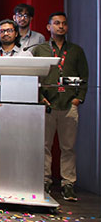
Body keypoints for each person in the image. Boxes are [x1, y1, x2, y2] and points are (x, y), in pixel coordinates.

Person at [31, 12, 88, 201]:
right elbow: (33, 76)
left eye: (63, 23)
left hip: (68, 104)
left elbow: (84, 77)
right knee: (44, 146)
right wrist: (39, 97)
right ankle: (45, 181)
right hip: (47, 104)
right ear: (49, 27)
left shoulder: (76, 51)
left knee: (68, 147)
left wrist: (78, 99)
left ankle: (68, 184)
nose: (61, 26)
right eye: (56, 23)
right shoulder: (39, 50)